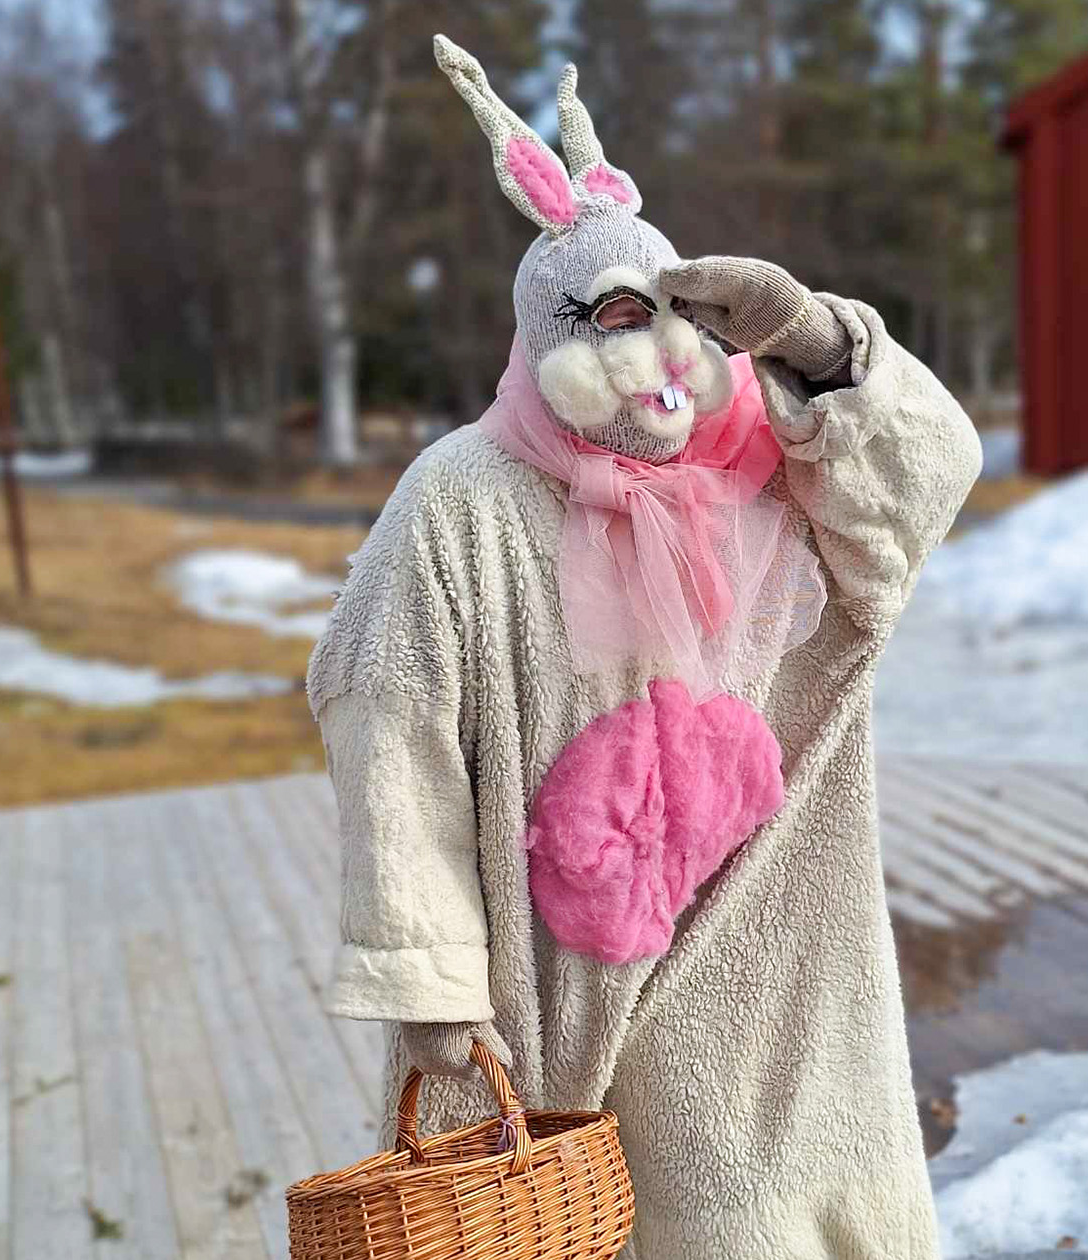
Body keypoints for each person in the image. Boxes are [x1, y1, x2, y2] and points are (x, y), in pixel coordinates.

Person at [305, 34, 981, 1258]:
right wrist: (432, 978)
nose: (654, 360)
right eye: (613, 323)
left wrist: (811, 343)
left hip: (786, 964)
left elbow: (929, 474)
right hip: (573, 1004)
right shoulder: (462, 497)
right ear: (545, 337)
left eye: (669, 322)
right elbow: (385, 708)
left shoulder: (770, 454)